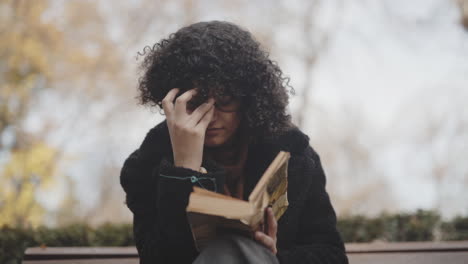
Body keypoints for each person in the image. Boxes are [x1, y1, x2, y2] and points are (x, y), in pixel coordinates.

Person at [120, 21, 348, 264]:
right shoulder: (148, 163)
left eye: (225, 100)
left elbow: (332, 256)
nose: (212, 116)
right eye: (196, 104)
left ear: (248, 99)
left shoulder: (295, 155)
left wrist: (273, 257)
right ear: (175, 102)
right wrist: (184, 170)